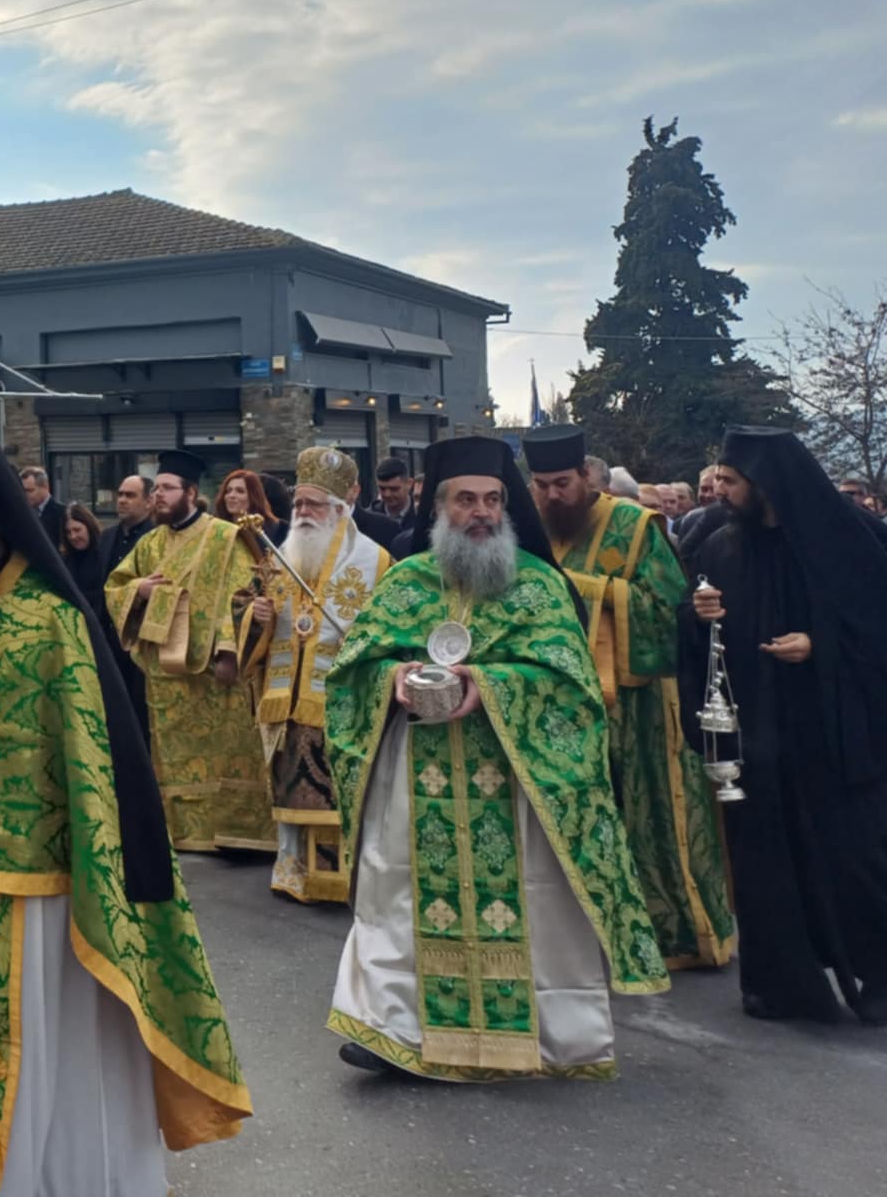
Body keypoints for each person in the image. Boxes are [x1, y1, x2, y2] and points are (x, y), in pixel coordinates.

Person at [0, 444, 252, 1192]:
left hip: (38, 886)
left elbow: (95, 763)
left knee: (42, 1042)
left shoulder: (51, 622)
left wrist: (99, 872)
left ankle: (39, 1175)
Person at [326, 436, 668, 1081]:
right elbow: (353, 668)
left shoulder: (540, 586)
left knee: (530, 904)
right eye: (465, 500)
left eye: (491, 500)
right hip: (416, 778)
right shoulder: (406, 582)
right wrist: (393, 677)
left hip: (515, 783)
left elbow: (573, 688)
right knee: (398, 894)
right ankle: (391, 1028)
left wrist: (494, 687)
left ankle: (539, 1035)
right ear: (439, 508)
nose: (480, 512)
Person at [684, 428, 887, 1024]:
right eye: (719, 479)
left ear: (767, 484)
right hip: (759, 736)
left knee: (854, 860)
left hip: (833, 735)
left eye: (733, 482)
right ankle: (779, 985)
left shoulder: (851, 539)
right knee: (765, 861)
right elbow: (704, 635)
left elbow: (877, 625)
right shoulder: (723, 545)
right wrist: (696, 616)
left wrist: (819, 646)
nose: (722, 492)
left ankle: (879, 975)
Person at [525, 424, 736, 970]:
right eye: (542, 484)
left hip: (639, 703)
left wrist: (585, 590)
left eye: (562, 484)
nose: (552, 495)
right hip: (563, 699)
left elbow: (670, 611)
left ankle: (675, 935)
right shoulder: (529, 529)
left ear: (587, 479)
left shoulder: (634, 524)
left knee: (651, 820)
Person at [106, 451, 274, 854]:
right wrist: (138, 590)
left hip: (214, 672)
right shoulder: (150, 543)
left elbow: (243, 594)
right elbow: (116, 586)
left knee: (228, 752)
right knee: (174, 757)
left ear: (192, 493)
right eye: (157, 489)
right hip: (166, 675)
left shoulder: (224, 537)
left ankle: (235, 833)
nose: (158, 496)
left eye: (167, 488)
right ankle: (181, 832)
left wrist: (230, 653)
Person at [245, 447, 391, 905]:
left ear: (341, 509)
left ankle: (340, 878)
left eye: (314, 505)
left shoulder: (376, 561)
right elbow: (253, 622)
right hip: (288, 697)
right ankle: (293, 872)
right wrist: (258, 614)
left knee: (336, 793)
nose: (303, 513)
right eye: (298, 504)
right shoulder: (283, 556)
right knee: (291, 787)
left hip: (340, 698)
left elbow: (387, 633)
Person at [97, 473, 155, 722]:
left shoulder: (155, 538)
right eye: (120, 494)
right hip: (109, 636)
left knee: (139, 708)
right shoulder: (107, 537)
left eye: (130, 495)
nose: (121, 500)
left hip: (140, 638)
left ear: (149, 501)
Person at [214, 468, 286, 548]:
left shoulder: (277, 530)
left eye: (240, 491)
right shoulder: (216, 529)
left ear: (253, 497)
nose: (232, 495)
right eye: (228, 491)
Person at [60, 500, 105, 600]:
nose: (73, 536)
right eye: (68, 532)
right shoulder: (65, 560)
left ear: (89, 527)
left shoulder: (105, 554)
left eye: (77, 530)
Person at [21, 463, 66, 546]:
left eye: (30, 491)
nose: (25, 495)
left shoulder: (62, 514)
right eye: (23, 491)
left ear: (45, 487)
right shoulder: (21, 514)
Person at [373, 456, 415, 523]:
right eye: (382, 488)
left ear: (409, 484)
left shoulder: (424, 516)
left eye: (394, 489)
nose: (387, 494)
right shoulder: (367, 519)